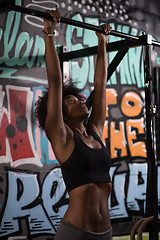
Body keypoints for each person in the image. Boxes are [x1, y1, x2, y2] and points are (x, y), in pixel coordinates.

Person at [35, 9, 112, 240]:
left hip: (106, 232)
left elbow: (100, 85)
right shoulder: (62, 136)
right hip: (76, 233)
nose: (80, 101)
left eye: (79, 98)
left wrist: (102, 44)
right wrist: (49, 35)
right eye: (71, 101)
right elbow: (55, 81)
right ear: (63, 114)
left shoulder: (95, 131)